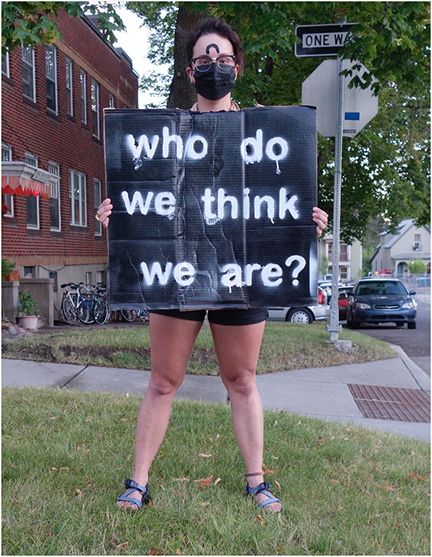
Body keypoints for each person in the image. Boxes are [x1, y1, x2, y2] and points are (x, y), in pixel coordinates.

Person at [96, 18, 328, 513]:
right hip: (174, 270)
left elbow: (282, 202)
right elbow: (141, 198)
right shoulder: (163, 136)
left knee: (241, 380)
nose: (213, 66)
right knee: (163, 381)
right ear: (190, 70)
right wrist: (117, 214)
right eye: (204, 59)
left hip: (244, 272)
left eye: (222, 58)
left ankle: (256, 482)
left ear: (236, 68)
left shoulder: (268, 134)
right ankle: (138, 481)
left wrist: (306, 222)